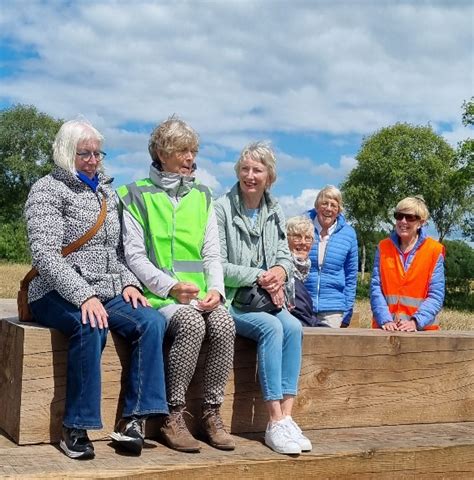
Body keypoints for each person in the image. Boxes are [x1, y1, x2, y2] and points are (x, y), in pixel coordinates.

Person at [25, 120, 168, 460]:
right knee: (90, 324)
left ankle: (134, 420)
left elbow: (117, 251)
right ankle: (75, 426)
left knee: (152, 321)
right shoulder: (46, 189)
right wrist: (83, 295)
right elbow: (44, 255)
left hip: (105, 289)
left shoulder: (107, 192)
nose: (93, 160)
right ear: (65, 152)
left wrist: (131, 284)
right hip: (53, 291)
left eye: (97, 153)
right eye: (84, 153)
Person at [117, 116, 236, 453]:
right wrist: (170, 287)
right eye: (183, 151)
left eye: (193, 151)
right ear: (162, 152)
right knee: (190, 324)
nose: (191, 158)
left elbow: (213, 253)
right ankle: (173, 415)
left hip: (200, 296)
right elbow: (134, 256)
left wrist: (217, 290)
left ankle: (211, 413)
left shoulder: (202, 195)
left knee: (225, 324)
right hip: (158, 297)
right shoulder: (134, 194)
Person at [215, 142, 311, 456]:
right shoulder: (221, 209)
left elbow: (284, 256)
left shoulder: (274, 209)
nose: (250, 175)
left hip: (264, 299)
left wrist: (281, 272)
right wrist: (258, 274)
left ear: (269, 176)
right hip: (232, 301)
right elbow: (218, 265)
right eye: (245, 169)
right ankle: (273, 421)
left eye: (257, 170)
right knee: (272, 328)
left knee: (294, 328)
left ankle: (286, 417)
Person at [370, 196, 445, 331]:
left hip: (422, 332)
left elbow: (436, 295)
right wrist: (385, 319)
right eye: (399, 216)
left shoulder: (434, 250)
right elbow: (376, 288)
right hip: (385, 330)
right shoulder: (383, 247)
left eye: (410, 217)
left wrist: (415, 321)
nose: (403, 221)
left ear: (421, 222)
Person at [304, 185, 358, 328]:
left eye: (333, 205)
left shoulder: (349, 234)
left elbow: (351, 275)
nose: (328, 208)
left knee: (328, 349)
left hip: (333, 308)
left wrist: (347, 311)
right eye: (324, 203)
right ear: (316, 206)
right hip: (302, 304)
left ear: (339, 210)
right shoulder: (302, 226)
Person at [286, 216, 327, 327]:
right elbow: (299, 314)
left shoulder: (301, 272)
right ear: (286, 240)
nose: (303, 242)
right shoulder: (285, 274)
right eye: (297, 237)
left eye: (308, 238)